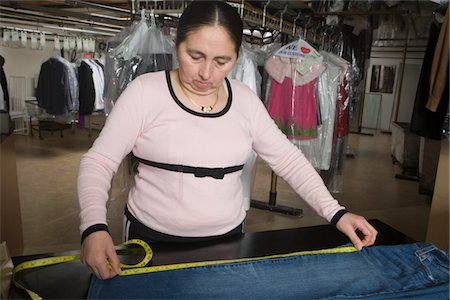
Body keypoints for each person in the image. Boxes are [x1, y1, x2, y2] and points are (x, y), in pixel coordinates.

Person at [78, 0, 378, 280]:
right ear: (176, 44)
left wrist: (335, 212)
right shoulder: (144, 93)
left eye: (222, 61)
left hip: (228, 240)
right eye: (194, 56)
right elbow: (99, 161)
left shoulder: (245, 101)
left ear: (237, 57)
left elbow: (288, 160)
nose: (206, 73)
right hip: (152, 240)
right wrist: (93, 226)